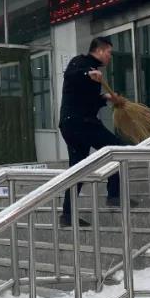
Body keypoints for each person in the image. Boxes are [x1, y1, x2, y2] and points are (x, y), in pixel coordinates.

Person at [58, 36, 132, 227]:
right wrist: (87, 74)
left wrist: (106, 97)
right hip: (80, 123)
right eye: (109, 52)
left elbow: (87, 100)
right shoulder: (80, 62)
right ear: (99, 50)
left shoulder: (94, 71)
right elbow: (72, 75)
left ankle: (67, 215)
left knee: (78, 168)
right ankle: (114, 195)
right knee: (117, 149)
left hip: (74, 123)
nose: (110, 57)